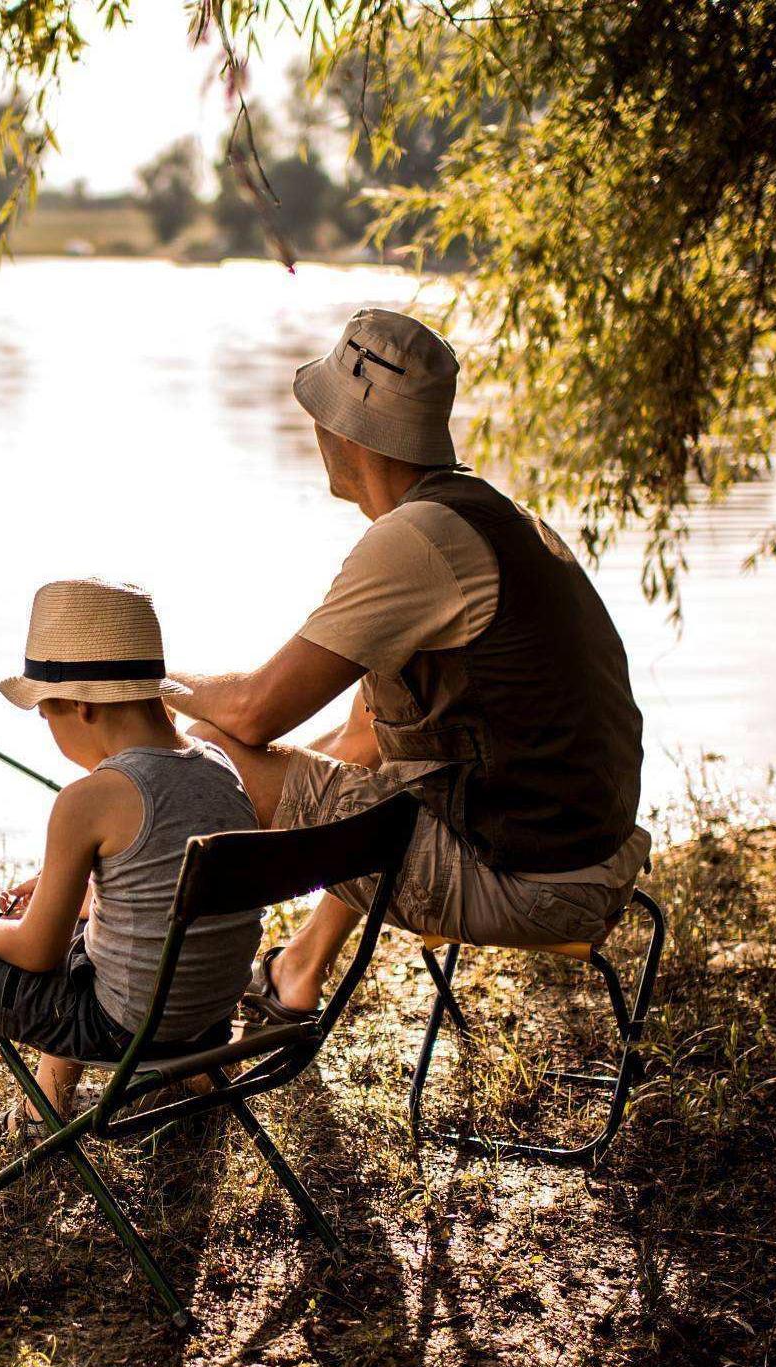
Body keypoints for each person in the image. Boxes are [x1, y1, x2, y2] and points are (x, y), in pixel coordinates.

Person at [167, 308, 649, 1018]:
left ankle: (165, 1020)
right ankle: (295, 970)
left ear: (343, 432)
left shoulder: (416, 542)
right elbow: (358, 746)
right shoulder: (483, 516)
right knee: (352, 771)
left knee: (202, 757)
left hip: (537, 882)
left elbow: (253, 711)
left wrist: (141, 682)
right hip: (589, 857)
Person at [0, 578, 263, 1210]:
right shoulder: (219, 769)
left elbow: (34, 952)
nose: (49, 728)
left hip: (125, 1028)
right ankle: (51, 1107)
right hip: (206, 1019)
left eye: (46, 712)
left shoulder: (89, 798)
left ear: (81, 705)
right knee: (89, 940)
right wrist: (82, 885)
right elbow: (159, 886)